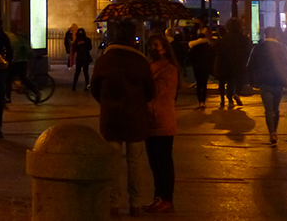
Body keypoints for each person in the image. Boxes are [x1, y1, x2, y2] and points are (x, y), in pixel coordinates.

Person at [91, 20, 155, 217]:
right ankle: (135, 204)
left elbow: (94, 88)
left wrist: (107, 102)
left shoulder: (105, 60)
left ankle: (113, 203)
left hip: (112, 118)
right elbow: (151, 92)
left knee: (113, 162)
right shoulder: (141, 61)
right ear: (132, 38)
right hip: (135, 118)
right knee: (135, 163)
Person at [144, 33, 180, 214]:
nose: (153, 48)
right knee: (154, 164)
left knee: (163, 163)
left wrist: (144, 78)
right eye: (151, 44)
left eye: (156, 45)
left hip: (162, 121)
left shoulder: (169, 69)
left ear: (164, 47)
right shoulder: (149, 66)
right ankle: (158, 197)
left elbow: (155, 90)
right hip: (149, 122)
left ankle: (167, 198)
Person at [247, 26, 287, 146]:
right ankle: (275, 130)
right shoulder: (282, 48)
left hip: (264, 82)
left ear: (265, 35)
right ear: (275, 34)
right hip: (278, 82)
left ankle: (272, 133)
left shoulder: (258, 48)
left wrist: (252, 81)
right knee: (276, 109)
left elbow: (250, 65)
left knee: (268, 110)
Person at [218, 19, 250, 108]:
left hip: (226, 63)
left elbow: (221, 52)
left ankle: (229, 99)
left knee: (229, 81)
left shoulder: (225, 38)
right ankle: (236, 93)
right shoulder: (243, 38)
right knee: (239, 80)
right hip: (240, 63)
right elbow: (248, 51)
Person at [187, 28, 214, 108]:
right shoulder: (208, 47)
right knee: (204, 84)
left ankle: (199, 101)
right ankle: (203, 101)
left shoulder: (194, 47)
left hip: (197, 67)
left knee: (198, 84)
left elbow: (189, 57)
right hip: (205, 67)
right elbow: (212, 57)